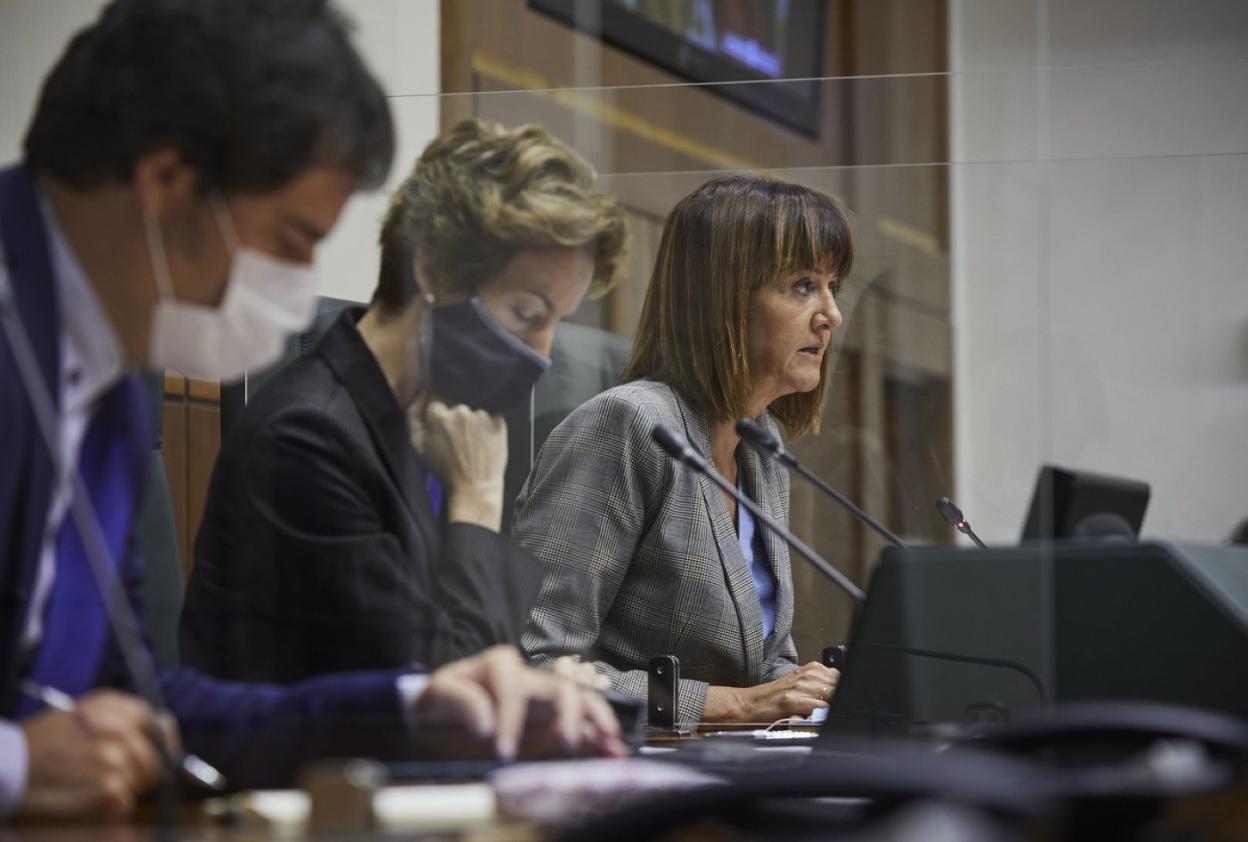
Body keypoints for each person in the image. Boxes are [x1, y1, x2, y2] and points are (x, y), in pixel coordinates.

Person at [0, 1, 622, 822]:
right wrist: (12, 764)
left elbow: (144, 702)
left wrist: (422, 707)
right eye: (292, 238)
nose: (301, 279)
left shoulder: (105, 369)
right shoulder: (298, 427)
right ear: (165, 184)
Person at [180, 118, 627, 681]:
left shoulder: (424, 423)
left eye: (555, 323)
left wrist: (536, 686)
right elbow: (442, 695)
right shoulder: (307, 436)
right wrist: (478, 502)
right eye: (527, 314)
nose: (543, 352)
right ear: (432, 268)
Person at [514, 174, 848, 724]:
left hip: (732, 775)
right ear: (725, 299)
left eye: (833, 285)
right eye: (803, 285)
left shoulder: (762, 449)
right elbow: (536, 667)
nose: (830, 314)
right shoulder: (628, 425)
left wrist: (813, 694)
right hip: (627, 778)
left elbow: (765, 666)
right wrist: (739, 704)